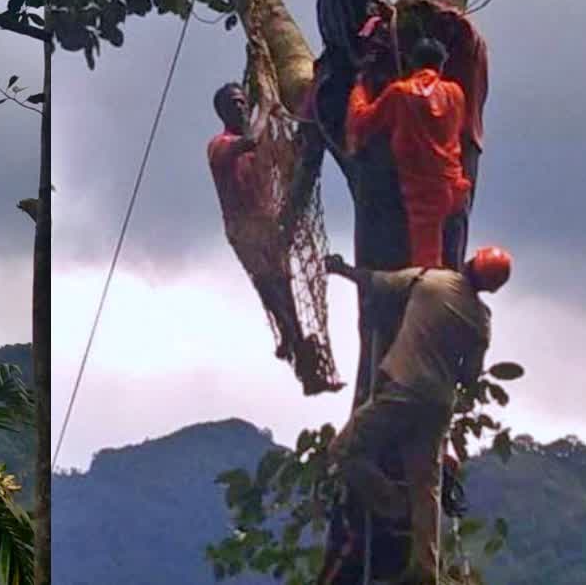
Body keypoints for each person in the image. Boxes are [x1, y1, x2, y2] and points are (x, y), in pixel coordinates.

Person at [324, 246, 512, 584]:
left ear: (470, 263)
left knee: (344, 450)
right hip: (439, 405)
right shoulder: (482, 320)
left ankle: (392, 504)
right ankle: (425, 570)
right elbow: (470, 377)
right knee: (426, 484)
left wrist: (341, 270)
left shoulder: (429, 280)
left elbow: (377, 282)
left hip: (402, 388)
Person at [208, 83, 338, 395]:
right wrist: (265, 107)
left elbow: (279, 151)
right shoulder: (220, 144)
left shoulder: (261, 141)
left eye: (243, 103)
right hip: (244, 230)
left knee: (286, 294)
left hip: (269, 225)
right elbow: (250, 140)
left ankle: (301, 357)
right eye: (234, 105)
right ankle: (291, 341)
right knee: (273, 291)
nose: (240, 109)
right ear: (222, 112)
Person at [346, 38, 470, 269]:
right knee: (453, 264)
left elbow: (361, 123)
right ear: (441, 66)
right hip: (456, 191)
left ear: (412, 63)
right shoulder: (456, 93)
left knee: (427, 273)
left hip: (424, 197)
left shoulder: (400, 92)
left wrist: (360, 88)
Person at [311, 0, 408, 144]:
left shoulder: (380, 4)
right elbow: (342, 38)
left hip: (374, 80)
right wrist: (361, 64)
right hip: (341, 81)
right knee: (311, 133)